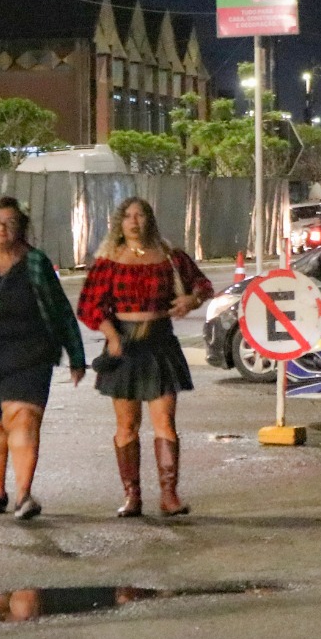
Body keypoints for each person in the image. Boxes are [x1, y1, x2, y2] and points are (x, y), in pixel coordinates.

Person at [0, 196, 87, 521]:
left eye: (10, 223)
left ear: (21, 229)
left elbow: (61, 312)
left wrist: (76, 356)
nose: (2, 228)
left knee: (22, 419)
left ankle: (24, 494)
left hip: (28, 355)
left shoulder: (36, 263)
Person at [76, 196, 212, 517]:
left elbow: (203, 285)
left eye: (140, 215)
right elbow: (88, 306)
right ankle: (132, 496)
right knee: (127, 425)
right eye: (128, 216)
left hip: (160, 343)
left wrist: (190, 301)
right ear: (120, 223)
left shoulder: (170, 257)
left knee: (165, 421)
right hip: (124, 346)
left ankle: (169, 495)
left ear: (149, 220)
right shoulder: (108, 261)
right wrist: (110, 335)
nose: (134, 221)